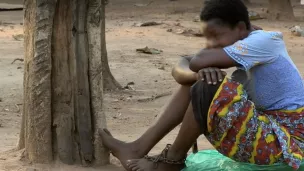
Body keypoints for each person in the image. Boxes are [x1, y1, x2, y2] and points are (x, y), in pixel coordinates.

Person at [99, 0, 304, 170]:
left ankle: (171, 161)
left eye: (216, 36)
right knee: (202, 80)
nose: (211, 44)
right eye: (208, 38)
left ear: (241, 28)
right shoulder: (244, 45)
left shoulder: (265, 41)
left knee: (208, 83)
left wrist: (199, 68)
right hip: (266, 130)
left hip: (288, 143)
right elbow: (183, 70)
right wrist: (197, 71)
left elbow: (194, 62)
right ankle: (137, 148)